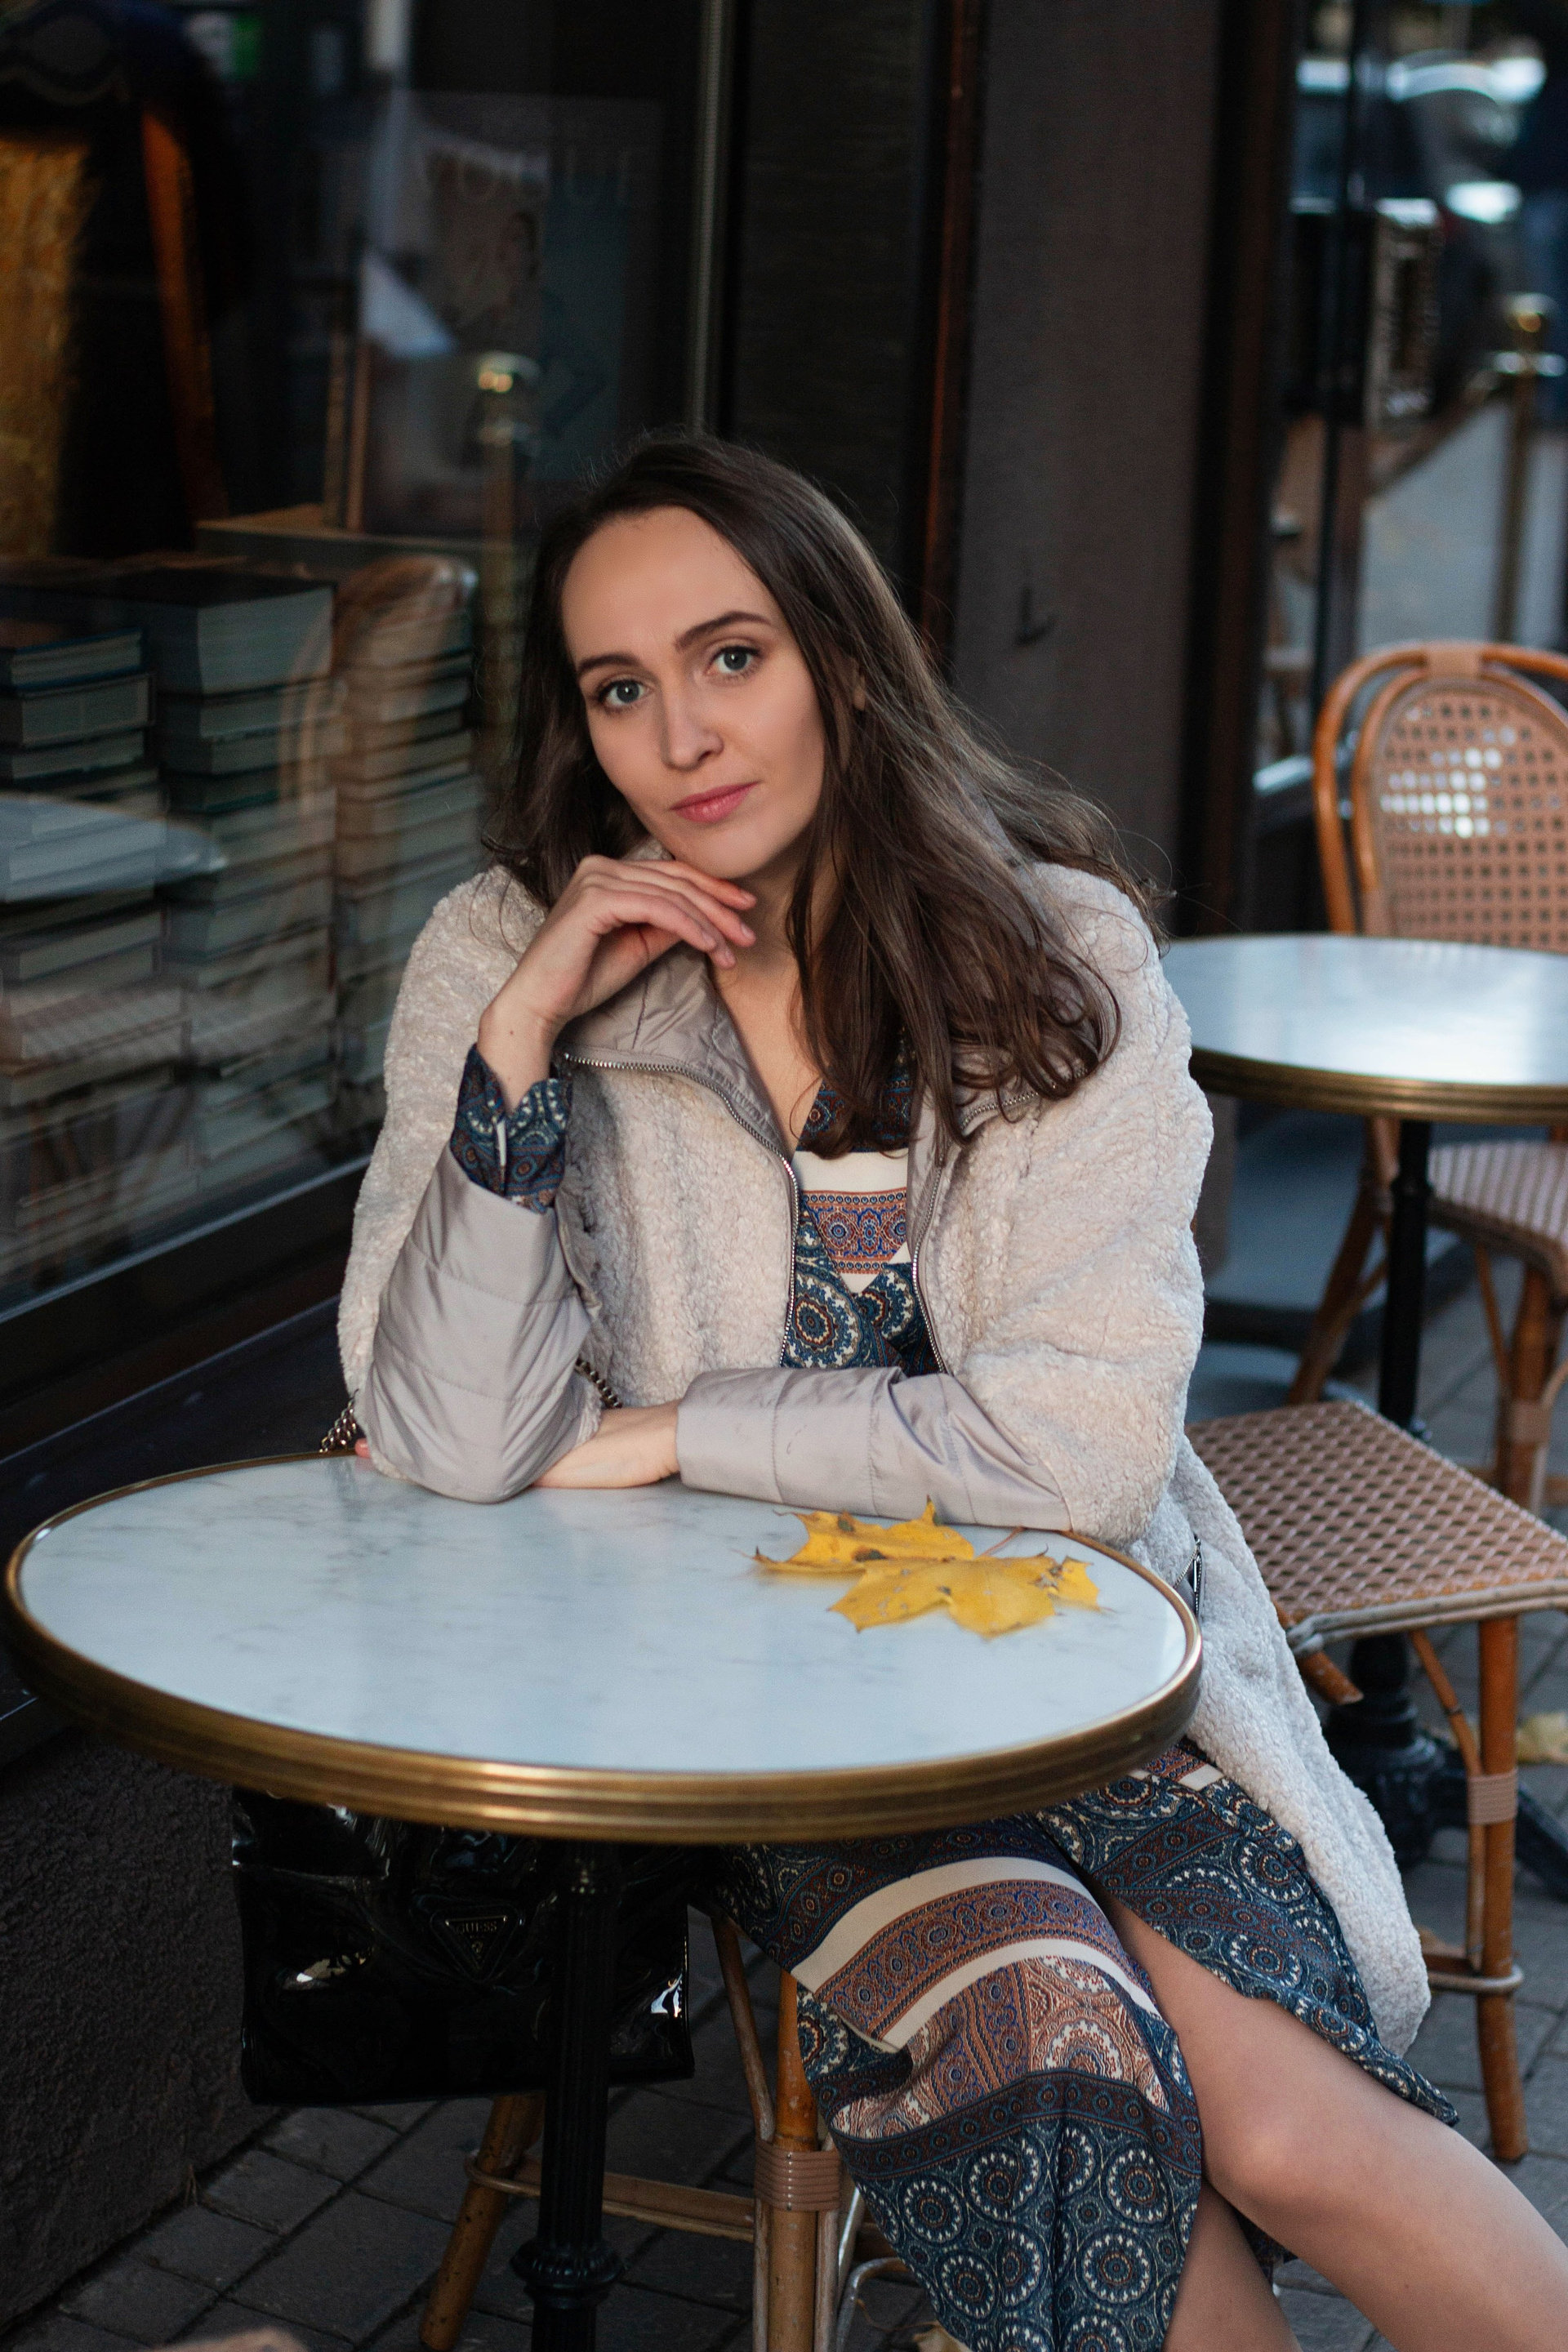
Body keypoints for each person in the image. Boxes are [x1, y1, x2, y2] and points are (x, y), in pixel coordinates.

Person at [338, 434, 1568, 2350]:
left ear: (839, 657)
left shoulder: (1052, 948)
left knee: (1288, 2130)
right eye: (620, 688)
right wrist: (519, 1055)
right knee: (1055, 2039)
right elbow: (454, 1440)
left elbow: (1081, 1452)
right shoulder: (507, 954)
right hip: (772, 1717)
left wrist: (676, 1430)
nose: (683, 734)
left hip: (1093, 1669)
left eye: (730, 656)